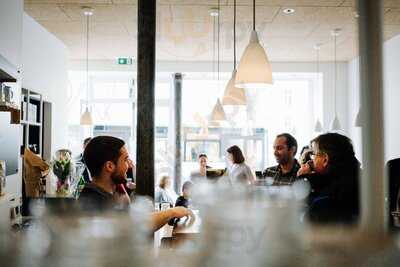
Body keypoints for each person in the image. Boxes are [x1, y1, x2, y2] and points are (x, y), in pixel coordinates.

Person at [79, 135, 191, 232]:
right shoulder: (93, 200)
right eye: (125, 160)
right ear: (109, 166)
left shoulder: (110, 193)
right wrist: (172, 212)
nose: (129, 165)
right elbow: (136, 226)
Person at [297, 133, 360, 224]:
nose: (311, 160)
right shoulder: (358, 178)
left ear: (325, 160)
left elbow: (305, 220)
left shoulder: (328, 197)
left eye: (313, 155)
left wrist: (302, 178)